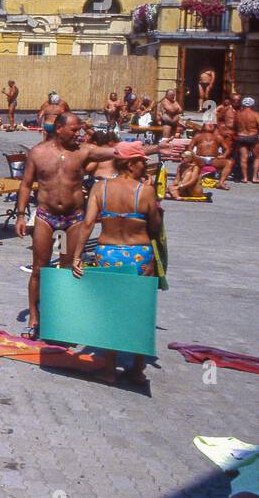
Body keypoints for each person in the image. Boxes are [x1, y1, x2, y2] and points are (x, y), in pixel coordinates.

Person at [14, 112, 154, 340]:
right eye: (73, 130)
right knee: (39, 268)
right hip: (45, 216)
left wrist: (154, 149)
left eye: (79, 129)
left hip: (73, 219)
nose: (78, 133)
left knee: (69, 269)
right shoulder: (38, 153)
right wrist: (20, 215)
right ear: (59, 129)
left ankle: (63, 317)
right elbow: (26, 185)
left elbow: (119, 151)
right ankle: (34, 317)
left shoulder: (84, 151)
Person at [72, 142, 161, 384]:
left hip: (107, 253)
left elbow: (88, 223)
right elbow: (155, 227)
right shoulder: (145, 191)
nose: (145, 164)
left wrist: (77, 256)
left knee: (109, 311)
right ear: (131, 163)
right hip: (139, 254)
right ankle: (137, 369)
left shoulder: (100, 188)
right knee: (139, 311)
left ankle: (109, 370)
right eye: (142, 160)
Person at [235, 96, 259, 183]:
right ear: (252, 105)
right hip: (253, 136)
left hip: (241, 137)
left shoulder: (238, 114)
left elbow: (235, 126)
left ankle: (245, 178)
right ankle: (254, 177)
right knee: (258, 157)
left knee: (243, 157)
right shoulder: (255, 114)